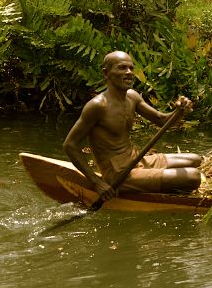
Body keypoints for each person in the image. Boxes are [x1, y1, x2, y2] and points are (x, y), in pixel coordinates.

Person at [62, 50, 202, 201]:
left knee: (196, 160)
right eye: (122, 68)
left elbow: (162, 120)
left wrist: (179, 111)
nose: (129, 72)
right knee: (193, 177)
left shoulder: (132, 96)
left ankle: (158, 180)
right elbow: (70, 145)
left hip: (136, 159)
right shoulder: (97, 106)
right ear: (106, 73)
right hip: (119, 174)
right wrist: (97, 182)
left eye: (131, 68)